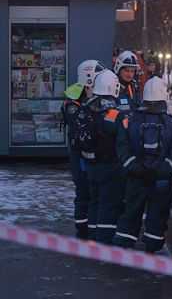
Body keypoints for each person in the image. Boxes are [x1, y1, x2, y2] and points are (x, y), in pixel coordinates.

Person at [114, 77, 172, 253]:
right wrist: (163, 169)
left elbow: (122, 147)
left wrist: (135, 167)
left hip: (135, 178)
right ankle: (152, 243)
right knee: (158, 213)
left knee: (131, 211)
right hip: (161, 180)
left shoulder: (129, 120)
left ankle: (125, 242)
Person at [77, 69, 125, 243]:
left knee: (94, 200)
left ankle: (92, 235)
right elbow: (122, 134)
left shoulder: (85, 107)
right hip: (110, 164)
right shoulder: (113, 112)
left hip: (89, 163)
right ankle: (104, 239)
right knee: (108, 203)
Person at [62, 60, 106, 239]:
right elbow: (77, 123)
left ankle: (90, 225)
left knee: (92, 189)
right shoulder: (74, 100)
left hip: (90, 151)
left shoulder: (91, 96)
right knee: (83, 188)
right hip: (79, 151)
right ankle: (82, 228)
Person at [114, 50, 142, 115]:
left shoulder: (134, 87)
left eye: (132, 71)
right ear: (118, 69)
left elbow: (138, 106)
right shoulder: (111, 86)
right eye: (127, 70)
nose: (130, 74)